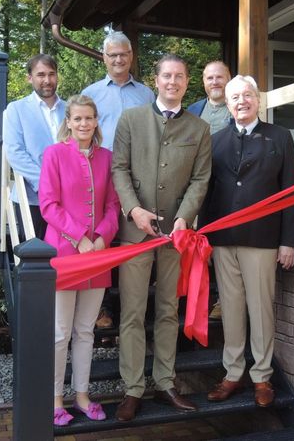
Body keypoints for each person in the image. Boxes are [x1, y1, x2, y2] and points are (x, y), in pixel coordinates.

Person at [111, 54, 212, 421]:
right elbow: (118, 167)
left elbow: (201, 180)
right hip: (134, 232)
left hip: (176, 234)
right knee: (133, 312)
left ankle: (165, 381)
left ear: (187, 83)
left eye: (180, 76)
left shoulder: (199, 130)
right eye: (167, 75)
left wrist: (186, 217)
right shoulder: (131, 119)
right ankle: (133, 388)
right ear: (156, 80)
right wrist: (133, 210)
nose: (173, 81)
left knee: (169, 309)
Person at [199, 75, 294, 408]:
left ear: (257, 100)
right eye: (235, 97)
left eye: (247, 95)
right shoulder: (215, 141)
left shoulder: (280, 137)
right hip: (223, 240)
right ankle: (232, 373)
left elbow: (290, 192)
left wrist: (289, 241)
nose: (241, 101)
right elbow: (207, 192)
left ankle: (261, 376)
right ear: (226, 104)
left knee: (260, 310)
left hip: (263, 238)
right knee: (229, 310)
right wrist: (204, 238)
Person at [38, 95, 120, 426]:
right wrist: (80, 238)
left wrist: (101, 237)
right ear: (68, 122)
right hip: (65, 255)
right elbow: (48, 204)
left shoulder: (107, 158)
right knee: (60, 332)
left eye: (90, 118)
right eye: (78, 119)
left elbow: (113, 205)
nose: (84, 124)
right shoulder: (54, 154)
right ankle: (56, 399)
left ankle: (83, 395)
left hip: (97, 255)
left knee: (86, 331)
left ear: (96, 121)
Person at [82, 31, 155, 329]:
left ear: (131, 56)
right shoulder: (92, 93)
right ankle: (102, 306)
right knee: (103, 234)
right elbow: (81, 130)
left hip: (138, 176)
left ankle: (135, 305)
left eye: (123, 54)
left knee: (134, 236)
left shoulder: (146, 95)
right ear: (104, 58)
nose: (118, 59)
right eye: (112, 54)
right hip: (100, 174)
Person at [3, 54, 66, 241]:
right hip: (33, 200)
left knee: (66, 256)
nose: (47, 80)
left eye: (51, 74)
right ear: (29, 78)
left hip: (69, 200)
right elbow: (15, 153)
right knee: (36, 259)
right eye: (40, 75)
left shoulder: (71, 109)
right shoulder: (16, 109)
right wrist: (46, 185)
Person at [188, 60, 232, 321]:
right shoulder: (194, 110)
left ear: (229, 78)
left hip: (228, 189)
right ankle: (194, 297)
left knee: (222, 248)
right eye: (209, 78)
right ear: (203, 82)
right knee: (198, 245)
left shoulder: (237, 106)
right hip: (199, 188)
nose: (214, 82)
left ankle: (221, 300)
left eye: (220, 77)